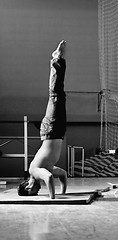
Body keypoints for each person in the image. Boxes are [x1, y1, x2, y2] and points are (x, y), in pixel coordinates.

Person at [18, 40, 67, 199]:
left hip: (50, 130)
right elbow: (62, 175)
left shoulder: (34, 171)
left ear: (28, 186)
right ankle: (58, 60)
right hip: (57, 132)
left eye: (33, 192)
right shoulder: (47, 169)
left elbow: (49, 178)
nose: (37, 192)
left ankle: (56, 59)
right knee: (60, 96)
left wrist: (53, 199)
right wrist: (62, 192)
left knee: (56, 95)